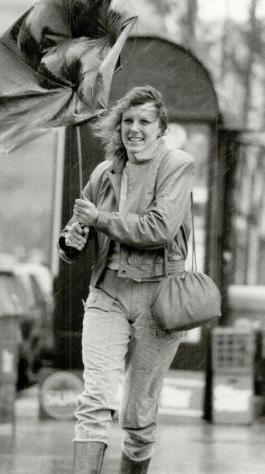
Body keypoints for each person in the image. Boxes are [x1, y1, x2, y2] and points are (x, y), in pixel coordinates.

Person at [58, 85, 195, 473]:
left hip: (159, 300)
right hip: (108, 294)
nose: (134, 129)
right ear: (119, 127)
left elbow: (159, 229)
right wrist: (73, 239)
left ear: (160, 127)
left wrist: (99, 219)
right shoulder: (104, 172)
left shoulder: (177, 165)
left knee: (138, 415)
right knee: (95, 399)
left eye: (144, 121)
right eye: (128, 121)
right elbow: (75, 233)